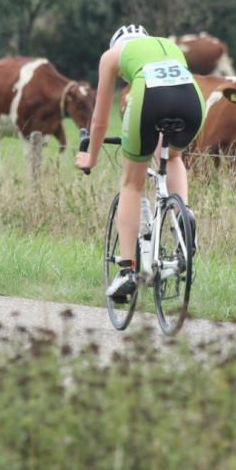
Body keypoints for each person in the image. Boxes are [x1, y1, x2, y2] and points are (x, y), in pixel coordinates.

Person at [75, 25, 205, 301]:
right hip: (192, 100)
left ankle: (126, 271)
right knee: (174, 157)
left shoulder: (112, 56)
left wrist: (91, 157)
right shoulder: (169, 46)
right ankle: (183, 216)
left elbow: (99, 121)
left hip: (150, 99)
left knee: (131, 185)